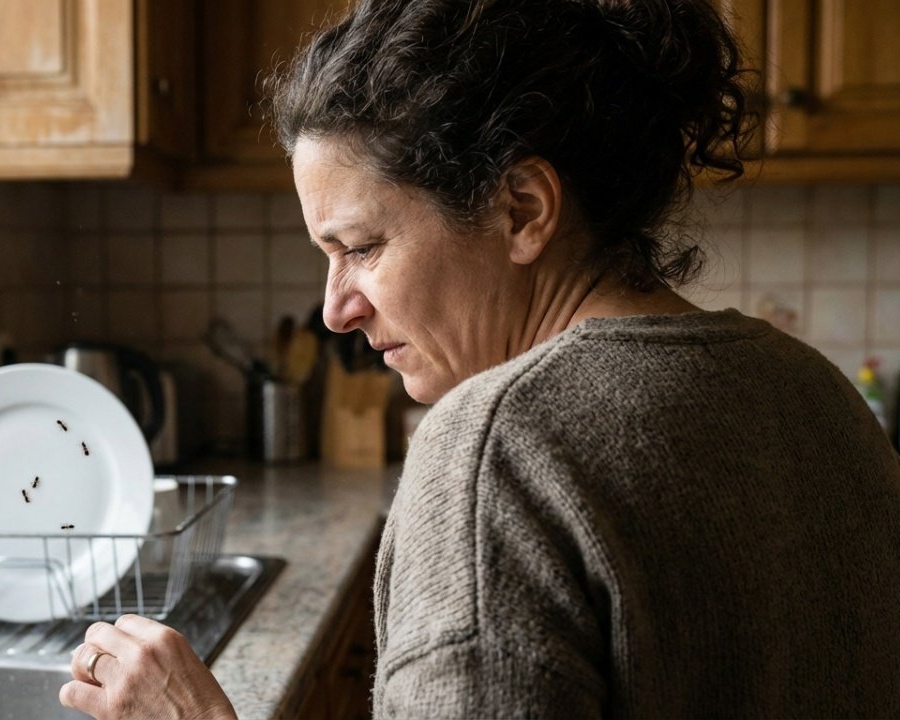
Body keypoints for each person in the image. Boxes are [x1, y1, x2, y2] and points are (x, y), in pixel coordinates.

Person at [60, 0, 900, 717]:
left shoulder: (496, 449)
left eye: (361, 247)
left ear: (522, 209)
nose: (335, 308)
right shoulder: (817, 395)